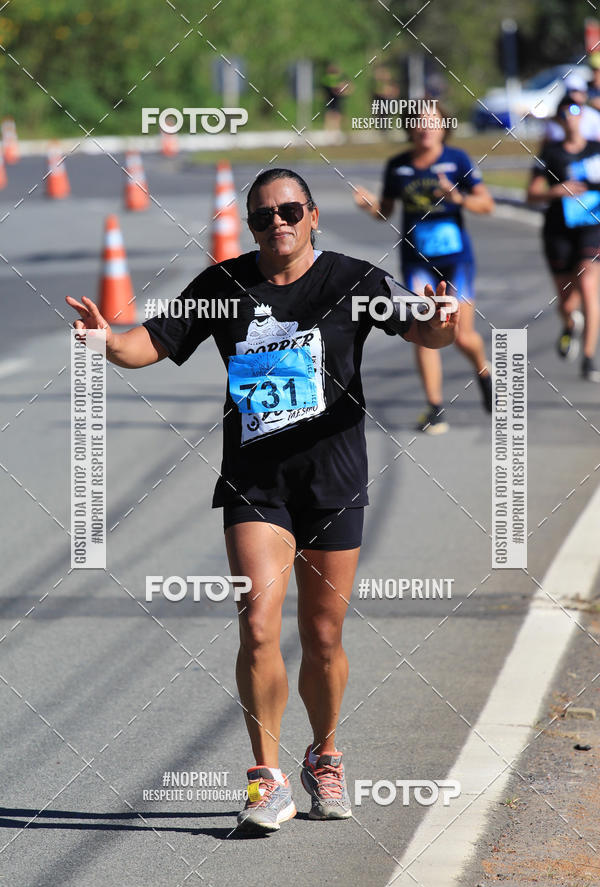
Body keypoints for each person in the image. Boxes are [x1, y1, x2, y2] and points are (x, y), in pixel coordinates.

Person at [66, 168, 458, 833]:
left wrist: (443, 320)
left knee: (325, 636)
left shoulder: (352, 281)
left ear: (312, 217)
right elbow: (150, 345)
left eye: (288, 209)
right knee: (256, 623)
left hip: (334, 479)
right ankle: (266, 780)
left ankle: (325, 753)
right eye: (261, 215)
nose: (275, 221)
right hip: (256, 483)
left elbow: (424, 329)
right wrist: (107, 342)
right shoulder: (222, 287)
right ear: (250, 225)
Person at [353, 108, 494, 433]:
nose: (425, 128)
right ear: (409, 129)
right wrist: (368, 204)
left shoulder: (457, 159)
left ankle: (483, 371)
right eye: (418, 123)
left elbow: (486, 205)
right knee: (426, 328)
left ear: (444, 126)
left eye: (432, 122)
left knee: (460, 333)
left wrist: (457, 198)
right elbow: (384, 212)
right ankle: (434, 407)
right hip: (417, 261)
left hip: (456, 259)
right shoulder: (398, 166)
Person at [528, 94, 600, 381]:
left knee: (587, 281)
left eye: (577, 110)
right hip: (558, 229)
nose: (572, 115)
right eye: (565, 111)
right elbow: (531, 194)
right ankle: (571, 323)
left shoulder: (597, 149)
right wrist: (554, 191)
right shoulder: (550, 153)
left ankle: (589, 357)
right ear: (559, 119)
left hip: (592, 226)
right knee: (567, 302)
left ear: (583, 116)